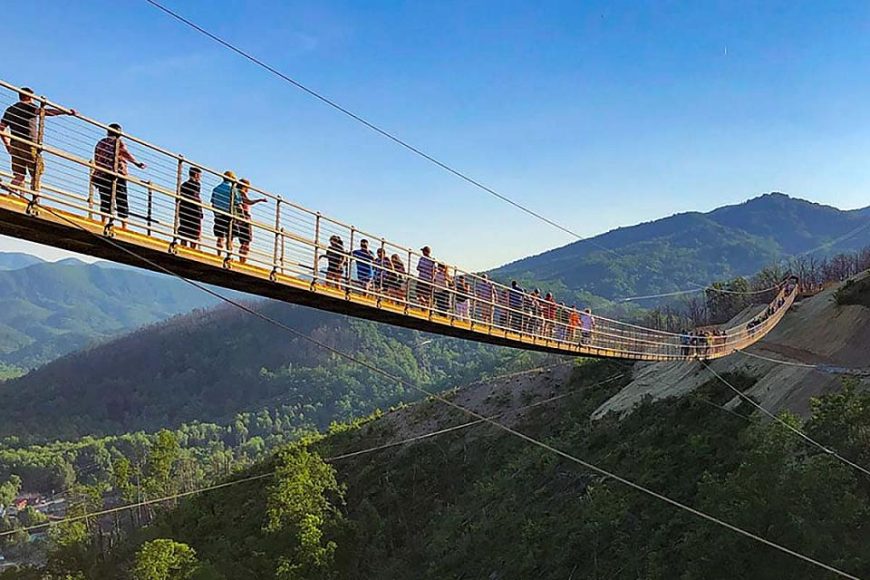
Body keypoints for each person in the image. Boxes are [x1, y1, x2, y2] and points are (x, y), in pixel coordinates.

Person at [0, 87, 75, 194]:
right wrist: (64, 112)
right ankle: (35, 198)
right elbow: (45, 112)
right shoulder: (29, 106)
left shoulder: (10, 109)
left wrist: (7, 144)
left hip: (15, 144)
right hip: (29, 143)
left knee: (19, 175)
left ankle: (9, 193)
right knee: (36, 172)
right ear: (30, 97)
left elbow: (1, 128)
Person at [92, 123, 146, 227]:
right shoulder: (118, 142)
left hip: (101, 174)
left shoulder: (101, 143)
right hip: (117, 174)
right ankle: (124, 226)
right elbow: (125, 153)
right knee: (121, 199)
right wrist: (137, 163)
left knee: (105, 199)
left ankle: (103, 222)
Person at [233, 178, 267, 264]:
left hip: (238, 217)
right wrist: (260, 200)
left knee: (243, 242)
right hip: (245, 217)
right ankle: (242, 261)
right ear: (245, 186)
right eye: (248, 187)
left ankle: (242, 260)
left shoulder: (235, 192)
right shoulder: (241, 192)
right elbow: (248, 202)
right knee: (246, 242)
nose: (248, 189)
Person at [178, 167, 203, 248]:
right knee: (194, 234)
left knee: (184, 231)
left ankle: (183, 248)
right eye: (199, 175)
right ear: (196, 175)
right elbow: (196, 198)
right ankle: (192, 249)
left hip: (184, 210)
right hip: (194, 211)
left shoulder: (183, 185)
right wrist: (200, 210)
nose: (200, 177)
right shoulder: (196, 185)